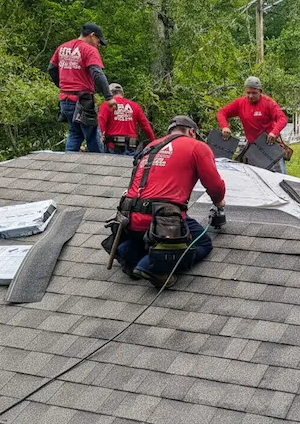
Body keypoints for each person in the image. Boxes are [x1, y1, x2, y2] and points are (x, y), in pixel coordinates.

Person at [111, 116, 226, 289]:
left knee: (146, 234)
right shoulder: (197, 147)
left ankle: (127, 251)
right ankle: (154, 267)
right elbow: (214, 185)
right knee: (203, 243)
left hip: (128, 217)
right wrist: (219, 203)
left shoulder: (150, 147)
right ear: (192, 131)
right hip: (160, 219)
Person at [48, 23, 116, 153]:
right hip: (83, 101)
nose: (98, 45)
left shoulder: (62, 48)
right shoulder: (89, 50)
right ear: (92, 35)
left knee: (75, 134)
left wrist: (63, 86)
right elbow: (97, 73)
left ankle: (67, 165)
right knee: (92, 137)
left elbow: (51, 69)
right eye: (98, 41)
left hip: (65, 100)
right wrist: (109, 97)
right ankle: (99, 167)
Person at [217, 76, 289, 172]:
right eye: (248, 93)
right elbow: (222, 113)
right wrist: (225, 127)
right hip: (253, 146)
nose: (250, 96)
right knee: (252, 174)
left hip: (270, 144)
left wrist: (274, 132)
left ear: (260, 92)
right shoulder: (240, 103)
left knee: (279, 176)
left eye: (254, 93)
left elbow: (282, 118)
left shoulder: (268, 103)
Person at [98, 83, 156, 155]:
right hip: (131, 146)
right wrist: (154, 142)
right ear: (122, 93)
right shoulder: (135, 106)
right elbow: (146, 126)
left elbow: (101, 121)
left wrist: (100, 138)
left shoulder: (106, 104)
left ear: (109, 94)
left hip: (112, 146)